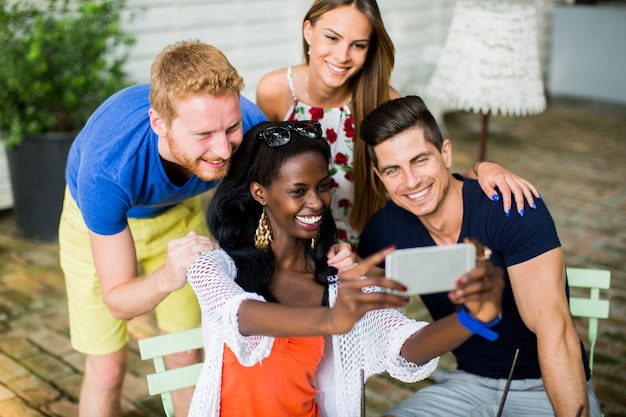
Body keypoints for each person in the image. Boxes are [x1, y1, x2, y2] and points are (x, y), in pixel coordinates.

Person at [58, 40, 342, 417]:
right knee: (108, 368)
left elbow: (294, 196)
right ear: (159, 122)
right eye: (203, 135)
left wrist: (328, 250)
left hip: (177, 214)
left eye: (230, 128)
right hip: (96, 222)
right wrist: (168, 276)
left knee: (187, 352)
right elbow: (119, 301)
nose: (224, 150)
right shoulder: (108, 169)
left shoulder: (250, 125)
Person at [185, 120, 505, 417]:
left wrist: (471, 318)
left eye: (322, 187)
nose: (317, 202)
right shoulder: (217, 266)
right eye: (299, 191)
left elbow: (405, 344)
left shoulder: (338, 280)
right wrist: (333, 319)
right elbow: (237, 314)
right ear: (260, 192)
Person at [356, 96, 602, 417]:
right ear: (379, 177)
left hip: (543, 385)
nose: (411, 181)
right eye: (393, 170)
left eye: (420, 160)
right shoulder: (383, 232)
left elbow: (555, 330)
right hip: (466, 386)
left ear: (446, 153)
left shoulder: (510, 208)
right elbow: (359, 318)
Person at [256, 0, 539, 246]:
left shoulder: (385, 101)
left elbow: (427, 172)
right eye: (332, 38)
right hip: (297, 242)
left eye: (358, 45)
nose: (342, 56)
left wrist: (482, 168)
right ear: (309, 31)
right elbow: (262, 177)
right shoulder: (275, 91)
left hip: (369, 245)